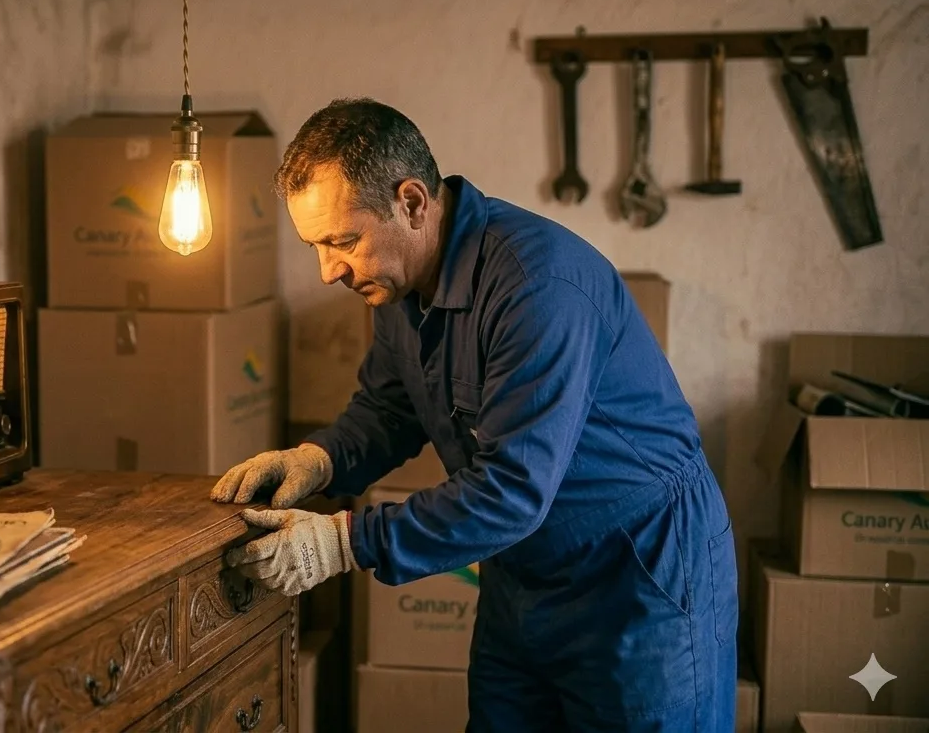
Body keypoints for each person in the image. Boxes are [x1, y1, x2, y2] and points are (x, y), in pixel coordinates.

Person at [211, 98, 738, 732]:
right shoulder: (398, 284)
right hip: (524, 571)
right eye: (314, 247)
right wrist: (317, 460)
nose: (328, 272)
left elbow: (513, 489)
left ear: (412, 203)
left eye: (342, 241)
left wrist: (344, 541)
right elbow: (389, 407)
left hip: (636, 571)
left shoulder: (537, 286)